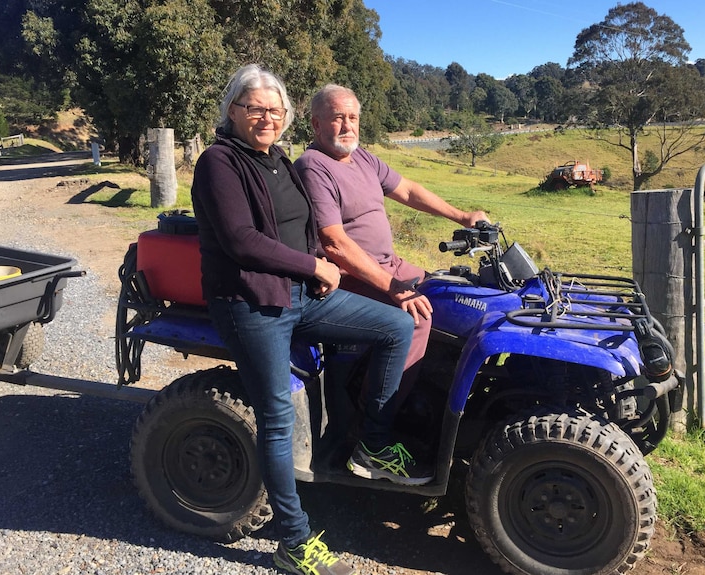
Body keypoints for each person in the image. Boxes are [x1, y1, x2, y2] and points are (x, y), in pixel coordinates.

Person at [191, 64, 431, 575]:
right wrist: (314, 265)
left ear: (286, 117)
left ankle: (372, 442)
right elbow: (241, 241)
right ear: (232, 111)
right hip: (252, 304)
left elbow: (304, 229)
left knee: (396, 325)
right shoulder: (218, 163)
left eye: (275, 111)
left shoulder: (278, 161)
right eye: (255, 108)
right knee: (277, 418)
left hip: (302, 295)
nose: (266, 118)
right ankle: (293, 542)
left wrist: (317, 271)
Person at [294, 84, 488, 415]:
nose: (347, 126)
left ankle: (437, 391)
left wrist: (463, 216)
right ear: (316, 124)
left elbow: (409, 191)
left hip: (389, 264)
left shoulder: (363, 158)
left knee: (449, 293)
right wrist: (396, 290)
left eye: (352, 117)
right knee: (416, 319)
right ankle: (375, 423)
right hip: (351, 277)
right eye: (337, 118)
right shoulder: (314, 166)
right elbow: (335, 244)